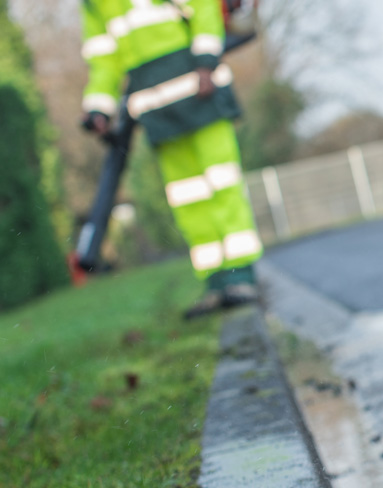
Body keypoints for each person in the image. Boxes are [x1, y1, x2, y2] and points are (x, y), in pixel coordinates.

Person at [80, 0, 263, 319]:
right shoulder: (95, 5)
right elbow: (104, 61)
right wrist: (99, 107)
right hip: (157, 111)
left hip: (202, 91)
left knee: (222, 185)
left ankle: (241, 276)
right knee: (187, 197)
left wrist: (207, 62)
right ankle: (215, 282)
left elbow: (204, 9)